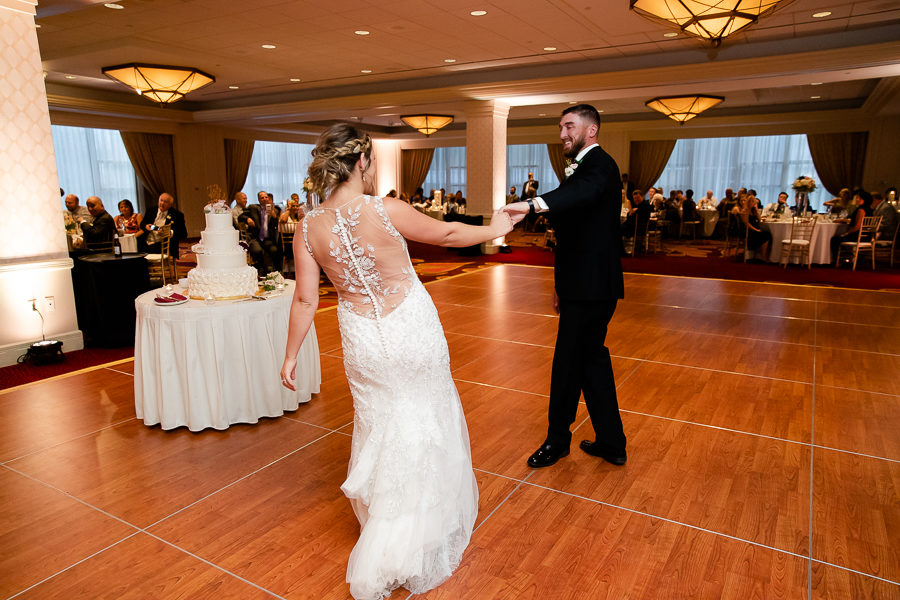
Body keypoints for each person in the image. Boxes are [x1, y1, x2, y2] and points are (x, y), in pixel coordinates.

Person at [279, 124, 513, 600]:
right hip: (410, 327)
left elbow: (305, 299)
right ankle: (419, 532)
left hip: (362, 338)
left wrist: (289, 356)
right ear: (362, 163)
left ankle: (392, 526)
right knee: (426, 415)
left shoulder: (307, 226)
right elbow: (447, 232)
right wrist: (497, 228)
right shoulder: (384, 208)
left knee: (383, 424)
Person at [502, 104, 627, 469]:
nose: (562, 134)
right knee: (592, 361)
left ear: (591, 131)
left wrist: (530, 204)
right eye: (561, 127)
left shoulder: (599, 165)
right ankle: (611, 441)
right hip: (583, 285)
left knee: (568, 364)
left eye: (569, 126)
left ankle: (557, 441)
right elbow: (574, 230)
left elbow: (575, 196)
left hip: (591, 288)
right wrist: (561, 284)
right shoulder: (583, 169)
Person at [241, 191, 282, 276]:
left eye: (266, 197)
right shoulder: (253, 208)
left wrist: (274, 216)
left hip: (268, 239)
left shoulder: (276, 210)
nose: (264, 199)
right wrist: (247, 219)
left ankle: (273, 271)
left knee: (274, 250)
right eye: (262, 198)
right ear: (259, 200)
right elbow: (241, 216)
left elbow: (277, 225)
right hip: (256, 238)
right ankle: (260, 268)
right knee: (257, 250)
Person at [831, 189, 875, 259]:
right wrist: (843, 220)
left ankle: (839, 259)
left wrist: (846, 233)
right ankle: (849, 258)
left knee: (835, 239)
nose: (857, 199)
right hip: (866, 237)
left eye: (859, 198)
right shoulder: (869, 210)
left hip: (857, 237)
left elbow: (857, 226)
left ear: (864, 200)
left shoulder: (861, 210)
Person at [141, 192, 187, 257]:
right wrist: (146, 226)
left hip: (164, 244)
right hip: (148, 241)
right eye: (161, 200)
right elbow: (142, 224)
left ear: (170, 205)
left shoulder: (177, 215)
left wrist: (169, 232)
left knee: (152, 249)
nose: (162, 203)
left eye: (165, 202)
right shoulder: (151, 210)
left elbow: (183, 234)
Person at [740, 192, 772, 261]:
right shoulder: (744, 211)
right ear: (748, 202)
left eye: (754, 202)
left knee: (768, 235)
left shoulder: (754, 211)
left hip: (755, 229)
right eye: (752, 202)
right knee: (765, 235)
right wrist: (756, 230)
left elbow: (760, 219)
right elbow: (747, 224)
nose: (754, 203)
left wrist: (756, 209)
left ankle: (762, 255)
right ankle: (763, 256)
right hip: (749, 230)